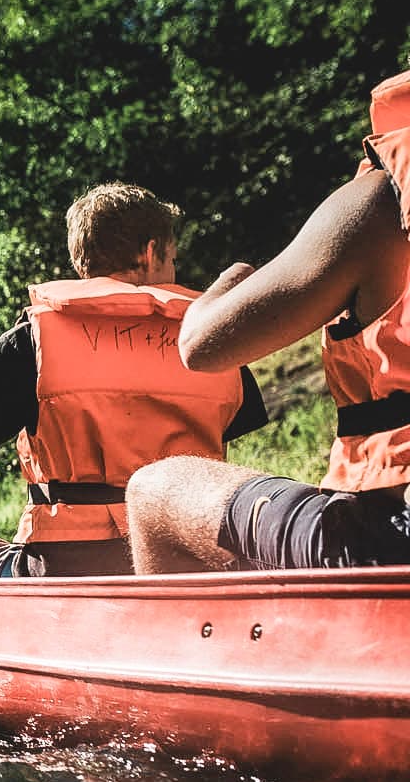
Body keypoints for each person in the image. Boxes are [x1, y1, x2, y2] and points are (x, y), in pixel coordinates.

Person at [0, 182, 269, 578]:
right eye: (172, 259)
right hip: (184, 564)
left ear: (82, 264)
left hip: (63, 571)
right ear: (149, 252)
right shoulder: (209, 343)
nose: (173, 271)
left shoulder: (31, 345)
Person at [127, 66, 410, 572]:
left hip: (390, 540)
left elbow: (199, 344)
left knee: (155, 487)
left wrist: (233, 277)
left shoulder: (379, 201)